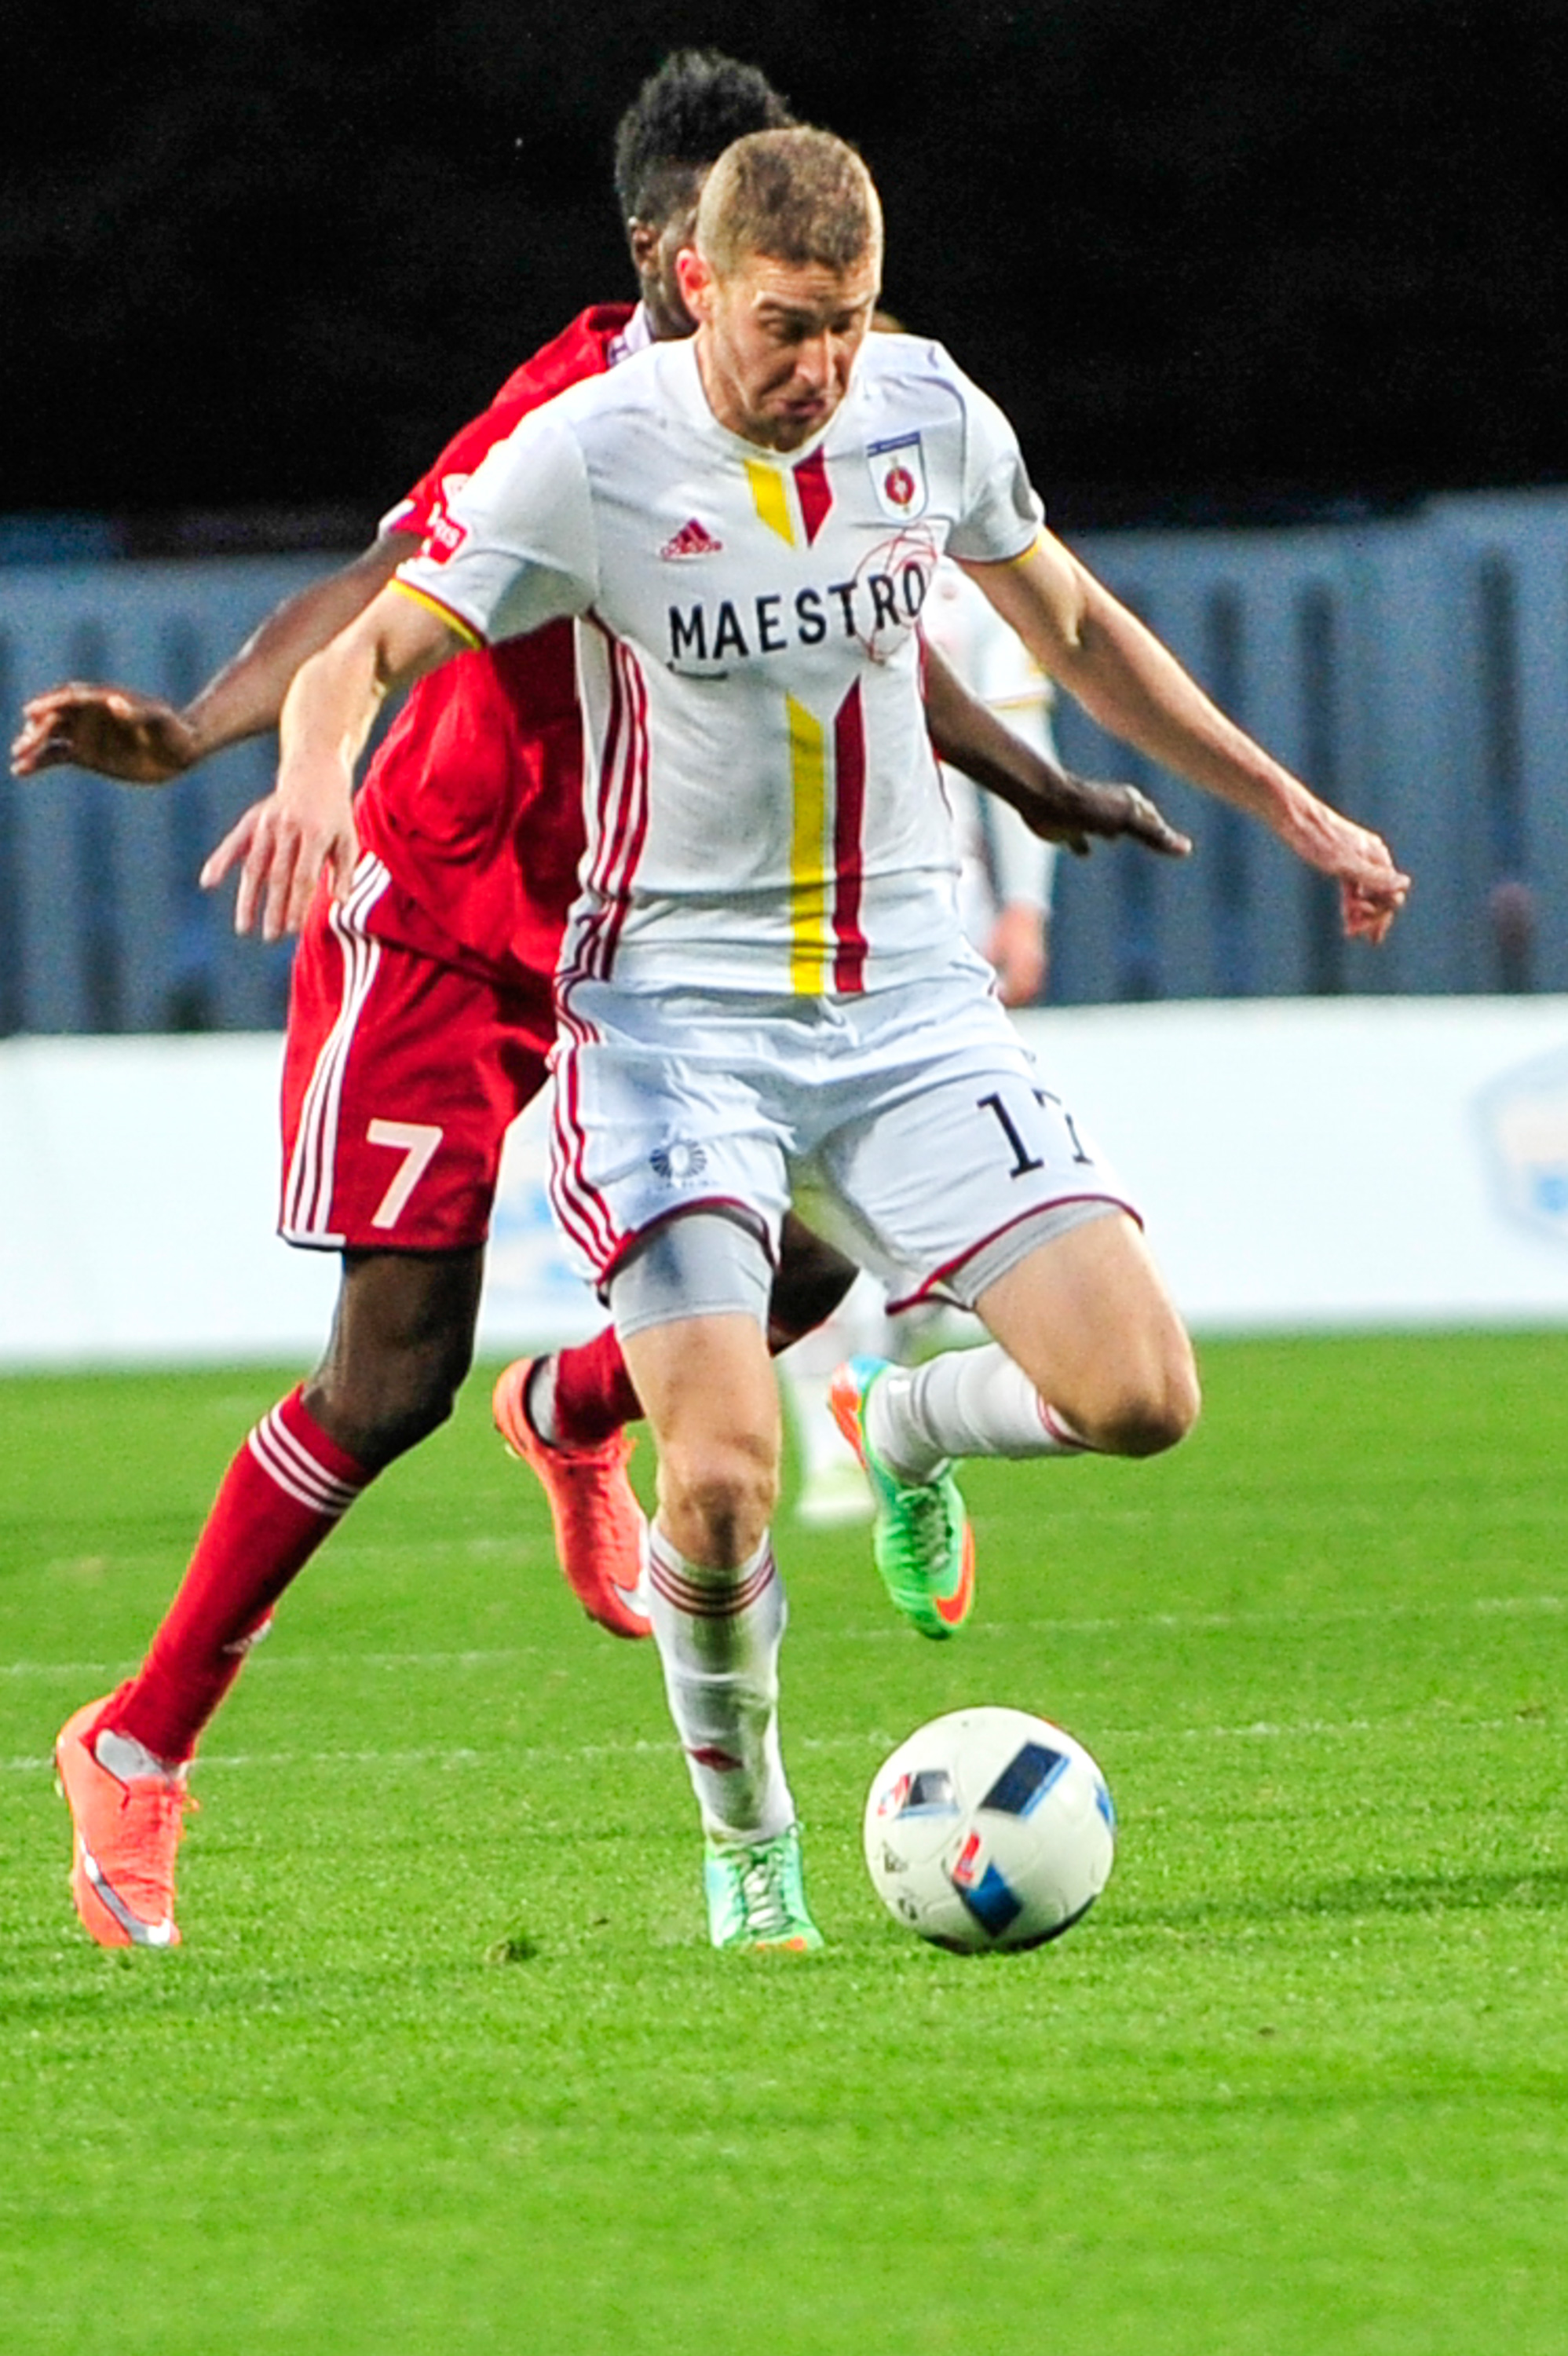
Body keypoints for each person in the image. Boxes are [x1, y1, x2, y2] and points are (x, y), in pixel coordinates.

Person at [21, 59, 1185, 1953]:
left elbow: (858, 636)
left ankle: (573, 1414)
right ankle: (137, 1742)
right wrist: (193, 738)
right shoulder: (571, 420)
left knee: (803, 1276)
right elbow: (371, 596)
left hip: (652, 950)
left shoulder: (820, 415)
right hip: (446, 919)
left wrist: (1028, 781)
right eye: (734, 258)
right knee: (386, 1378)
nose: (796, 323)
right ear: (666, 251)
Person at [243, 126, 1407, 1952]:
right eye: (787, 326)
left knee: (1140, 1399)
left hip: (909, 1008)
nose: (821, 369)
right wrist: (316, 773)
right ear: (697, 283)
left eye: (849, 324)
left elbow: (1074, 623)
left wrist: (1289, 805)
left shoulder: (925, 411)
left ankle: (906, 1416)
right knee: (717, 1478)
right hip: (668, 1023)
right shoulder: (586, 455)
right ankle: (752, 1838)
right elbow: (357, 656)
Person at [784, 556, 1059, 1526]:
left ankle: (882, 1388)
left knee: (935, 1234)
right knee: (801, 1199)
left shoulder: (967, 581)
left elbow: (1017, 741)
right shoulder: (738, 546)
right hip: (781, 930)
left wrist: (1025, 907)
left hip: (938, 921)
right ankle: (828, 1445)